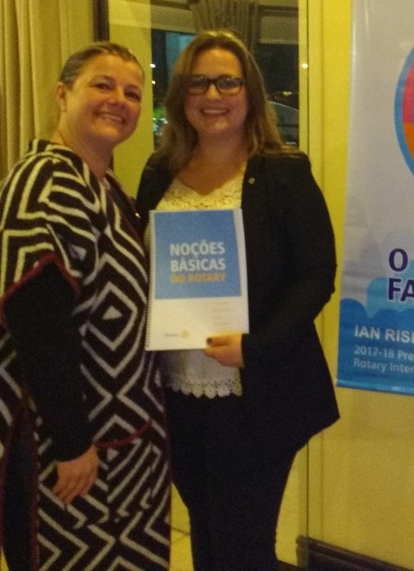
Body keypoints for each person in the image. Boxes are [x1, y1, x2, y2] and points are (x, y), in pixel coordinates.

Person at [0, 42, 171, 571]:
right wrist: (72, 442)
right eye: (102, 85)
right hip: (60, 442)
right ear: (63, 94)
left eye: (132, 92)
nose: (119, 100)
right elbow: (36, 319)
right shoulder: (44, 183)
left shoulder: (102, 185)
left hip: (118, 437)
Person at [135, 29, 339, 571]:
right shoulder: (158, 173)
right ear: (181, 94)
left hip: (256, 393)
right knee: (205, 531)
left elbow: (316, 275)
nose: (213, 94)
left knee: (244, 544)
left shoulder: (284, 173)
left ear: (250, 92)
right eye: (198, 82)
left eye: (228, 81)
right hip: (176, 391)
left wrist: (255, 346)